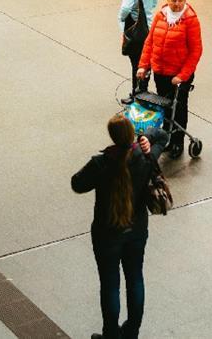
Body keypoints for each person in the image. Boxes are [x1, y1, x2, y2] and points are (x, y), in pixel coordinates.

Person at [71, 113, 170, 339]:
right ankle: (132, 330)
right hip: (136, 231)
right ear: (132, 134)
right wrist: (147, 137)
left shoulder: (101, 163)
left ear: (113, 137)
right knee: (135, 278)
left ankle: (111, 334)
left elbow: (77, 183)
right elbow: (163, 136)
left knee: (110, 285)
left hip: (107, 233)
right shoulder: (145, 158)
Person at [136, 0, 202, 158]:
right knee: (164, 108)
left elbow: (196, 51)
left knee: (178, 108)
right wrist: (143, 66)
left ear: (185, 1)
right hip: (161, 71)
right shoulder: (161, 15)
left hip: (179, 75)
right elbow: (150, 43)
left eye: (181, 0)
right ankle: (165, 138)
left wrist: (182, 75)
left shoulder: (190, 20)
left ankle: (177, 142)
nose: (177, 4)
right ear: (168, 0)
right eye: (174, 0)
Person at [119, 0, 158, 98]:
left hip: (136, 28)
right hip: (149, 27)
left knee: (136, 62)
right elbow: (154, 2)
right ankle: (143, 89)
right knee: (145, 60)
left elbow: (125, 8)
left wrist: (122, 19)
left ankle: (136, 93)